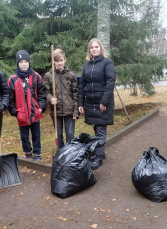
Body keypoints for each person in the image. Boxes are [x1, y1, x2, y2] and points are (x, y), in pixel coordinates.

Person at [78, 38, 116, 170]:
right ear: (89, 50)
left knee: (100, 129)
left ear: (101, 48)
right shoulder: (87, 65)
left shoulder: (107, 62)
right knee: (96, 127)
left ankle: (99, 156)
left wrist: (104, 101)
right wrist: (80, 103)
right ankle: (100, 152)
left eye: (96, 47)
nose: (94, 49)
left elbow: (110, 82)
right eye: (92, 47)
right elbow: (82, 85)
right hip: (90, 102)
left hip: (102, 102)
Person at [8, 50, 47, 160]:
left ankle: (37, 154)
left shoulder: (36, 77)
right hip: (21, 113)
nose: (23, 64)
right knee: (24, 137)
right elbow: (10, 97)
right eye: (21, 62)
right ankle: (28, 154)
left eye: (26, 61)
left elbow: (42, 93)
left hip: (35, 111)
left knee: (36, 135)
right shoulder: (12, 79)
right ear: (17, 64)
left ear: (29, 62)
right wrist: (14, 111)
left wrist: (41, 107)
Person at [43, 48, 79, 149]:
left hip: (69, 110)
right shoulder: (48, 76)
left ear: (65, 60)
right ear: (53, 61)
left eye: (61, 60)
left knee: (70, 134)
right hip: (56, 110)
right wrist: (50, 99)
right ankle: (60, 153)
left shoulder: (71, 75)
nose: (59, 63)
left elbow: (76, 94)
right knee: (58, 135)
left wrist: (75, 111)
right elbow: (46, 92)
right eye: (57, 61)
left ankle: (70, 154)